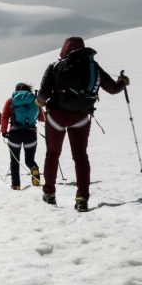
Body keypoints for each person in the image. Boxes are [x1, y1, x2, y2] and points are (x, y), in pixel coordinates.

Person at [36, 36, 129, 211]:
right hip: (81, 117)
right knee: (80, 156)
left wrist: (39, 103)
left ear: (64, 49)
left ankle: (49, 194)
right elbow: (113, 89)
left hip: (57, 117)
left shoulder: (55, 66)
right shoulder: (93, 67)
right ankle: (82, 198)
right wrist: (123, 82)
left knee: (52, 154)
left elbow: (41, 98)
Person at [0, 82, 42, 191]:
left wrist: (4, 131)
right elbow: (42, 117)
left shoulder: (11, 101)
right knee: (29, 159)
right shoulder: (34, 99)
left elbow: (4, 116)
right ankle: (34, 169)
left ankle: (16, 185)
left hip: (14, 133)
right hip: (30, 133)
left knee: (14, 160)